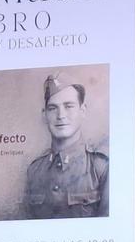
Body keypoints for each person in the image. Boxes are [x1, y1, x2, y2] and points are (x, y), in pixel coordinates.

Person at [25, 73, 109, 219]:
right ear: (44, 115)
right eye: (52, 108)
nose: (61, 115)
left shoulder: (101, 166)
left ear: (82, 111)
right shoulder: (34, 171)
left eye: (68, 106)